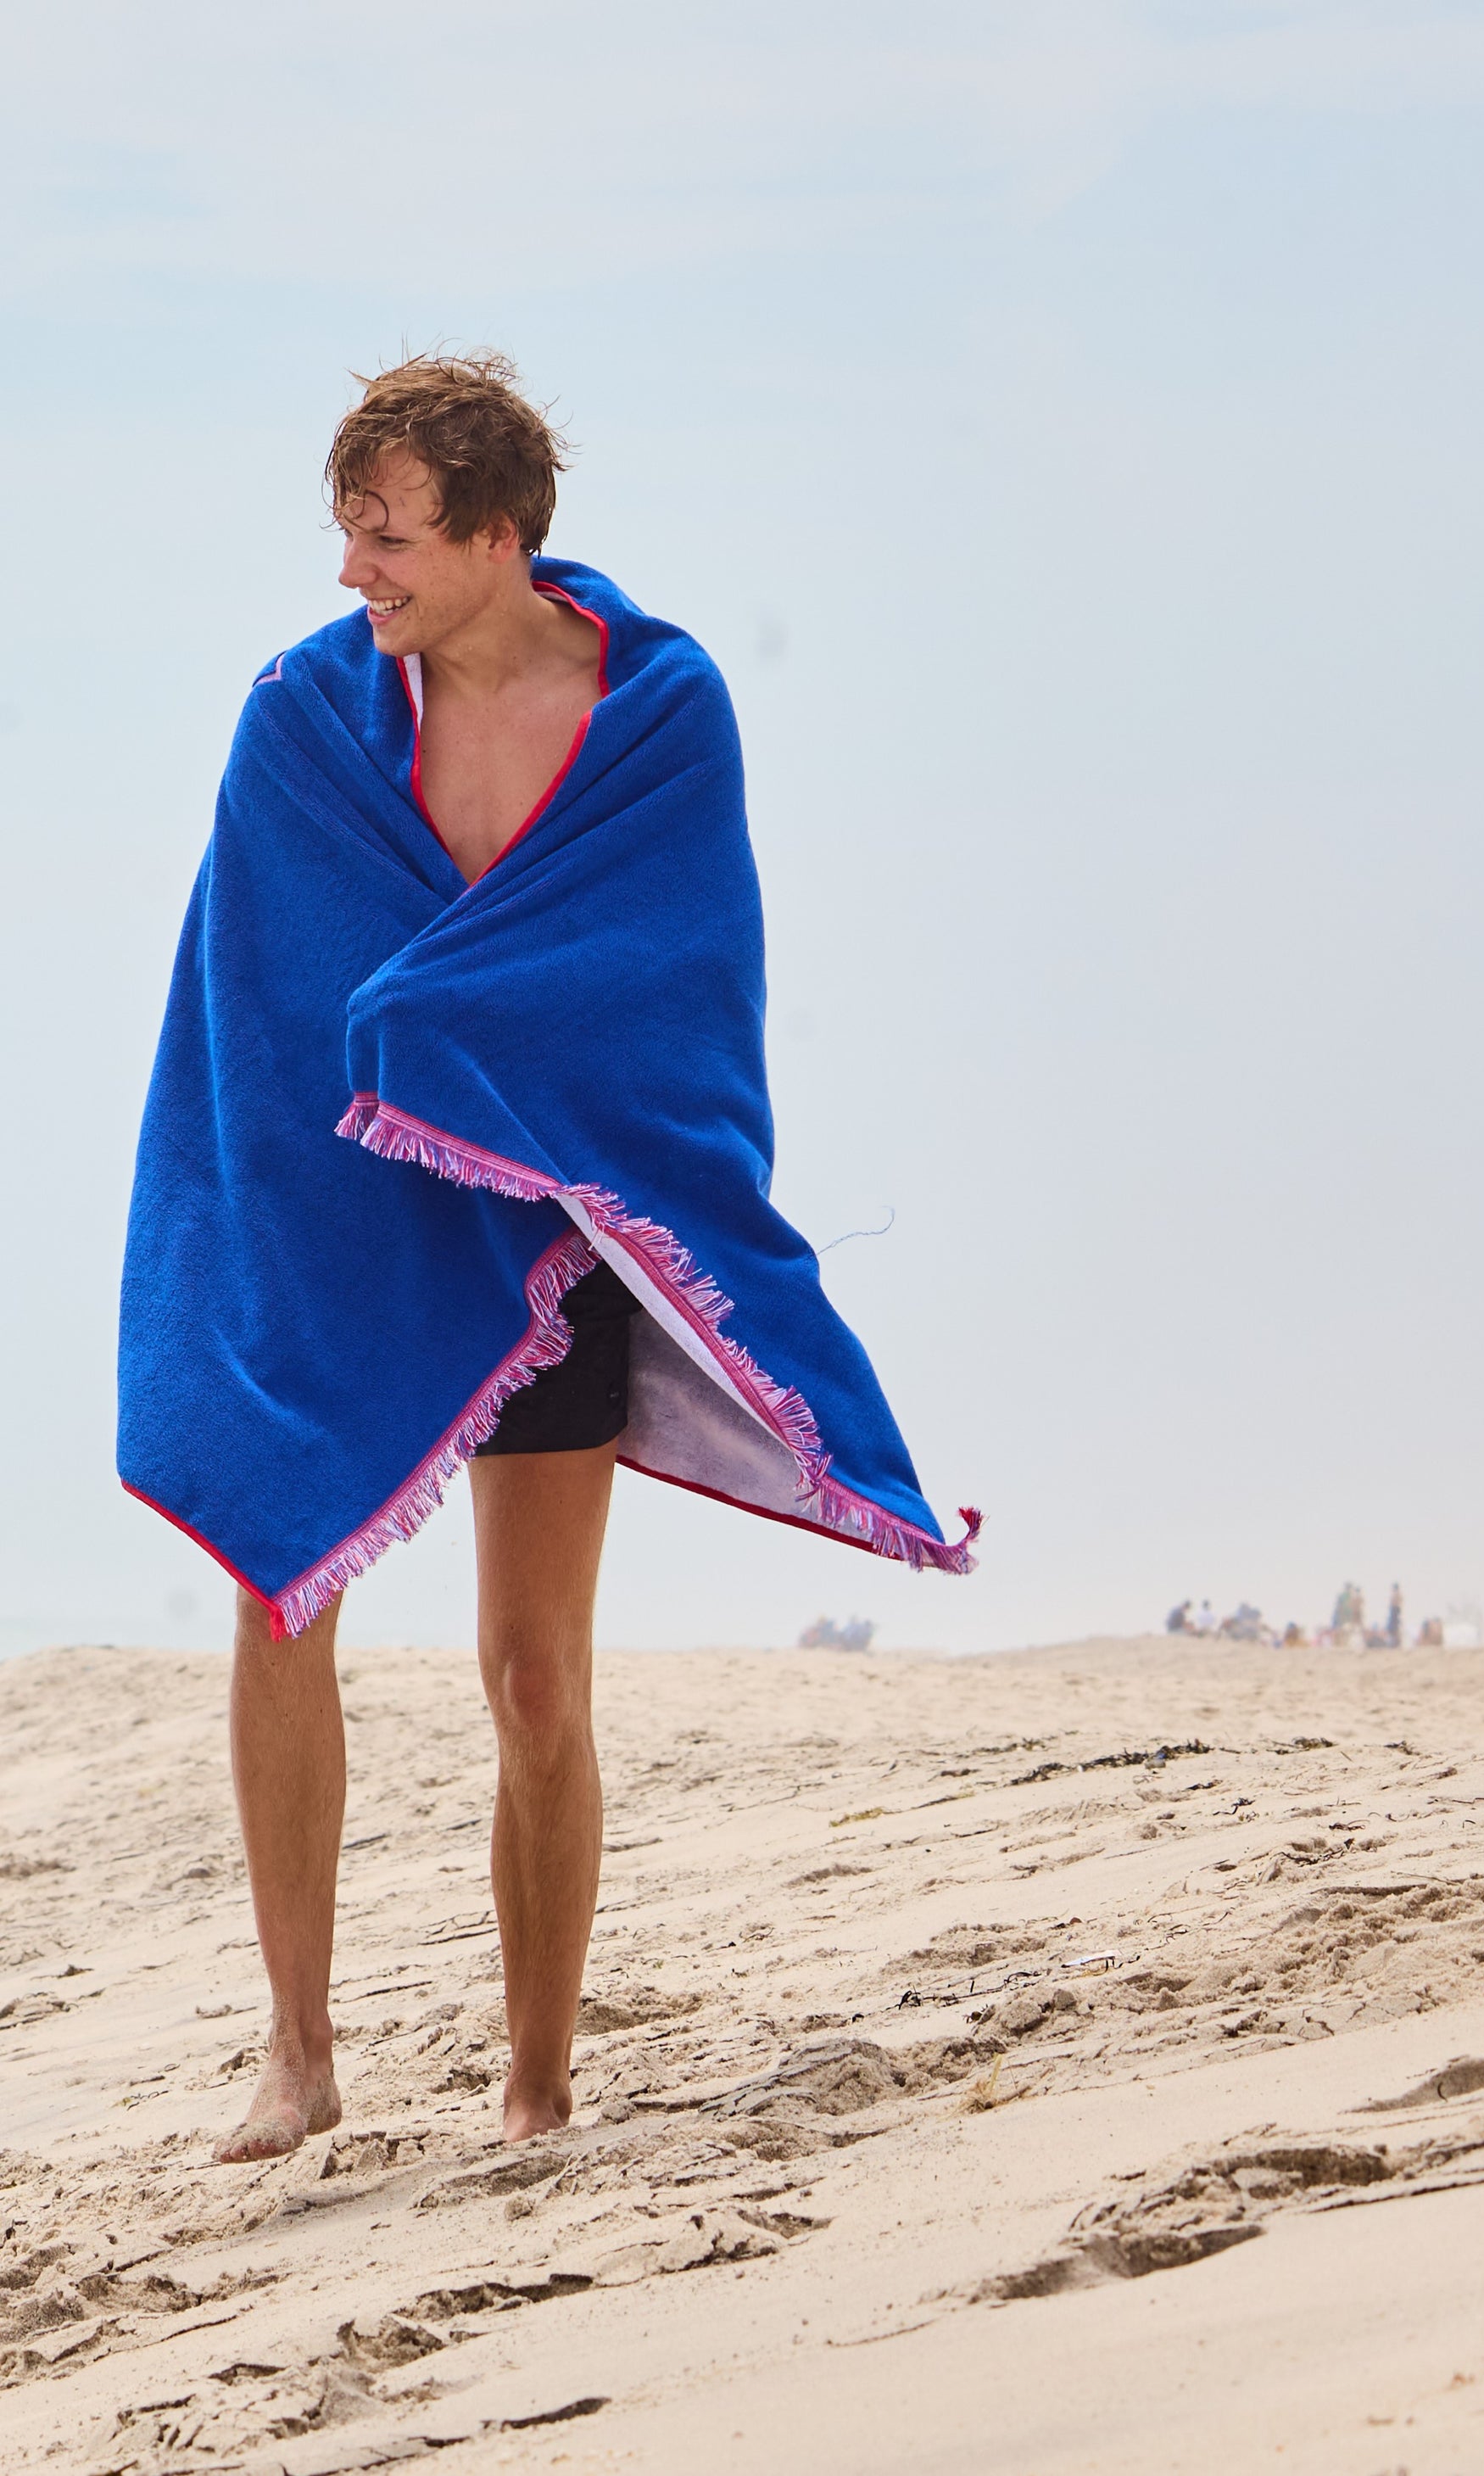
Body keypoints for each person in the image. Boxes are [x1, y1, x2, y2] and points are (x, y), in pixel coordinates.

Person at [119, 353, 977, 2164]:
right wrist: (370, 1076)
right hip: (343, 1218)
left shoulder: (657, 711)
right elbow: (251, 1008)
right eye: (346, 530)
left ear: (502, 537)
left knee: (532, 1671)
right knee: (285, 1587)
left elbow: (672, 971)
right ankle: (296, 2048)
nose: (359, 570)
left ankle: (537, 2079)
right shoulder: (306, 715)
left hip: (554, 1229)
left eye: (393, 535)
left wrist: (448, 1019)